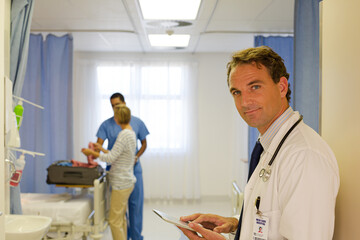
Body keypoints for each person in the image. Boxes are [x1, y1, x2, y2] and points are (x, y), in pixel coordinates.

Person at [179, 46, 340, 240]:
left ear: (282, 87)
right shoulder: (271, 145)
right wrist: (237, 224)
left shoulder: (304, 156)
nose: (245, 102)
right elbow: (271, 214)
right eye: (236, 92)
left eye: (255, 87)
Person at [96, 92, 149, 240]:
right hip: (118, 172)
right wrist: (97, 150)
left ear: (124, 104)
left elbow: (143, 144)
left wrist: (135, 157)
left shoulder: (134, 125)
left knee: (133, 208)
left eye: (118, 105)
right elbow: (111, 152)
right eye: (113, 106)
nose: (115, 109)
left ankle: (136, 237)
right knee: (120, 214)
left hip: (130, 171)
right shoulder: (109, 125)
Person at [82, 104, 136, 240]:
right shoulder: (131, 133)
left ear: (117, 119)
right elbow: (118, 154)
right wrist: (101, 148)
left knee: (113, 221)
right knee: (121, 218)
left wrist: (92, 152)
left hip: (121, 183)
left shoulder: (123, 135)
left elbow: (111, 159)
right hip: (127, 181)